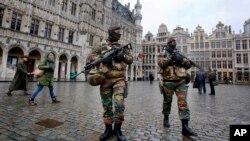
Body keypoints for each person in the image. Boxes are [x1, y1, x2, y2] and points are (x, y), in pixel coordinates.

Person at [86, 26, 133, 141]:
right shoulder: (101, 45)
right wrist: (102, 58)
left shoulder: (122, 46)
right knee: (107, 106)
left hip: (119, 79)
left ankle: (118, 129)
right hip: (105, 79)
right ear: (110, 33)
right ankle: (108, 130)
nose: (119, 35)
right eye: (117, 33)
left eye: (119, 34)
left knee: (119, 105)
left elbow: (130, 59)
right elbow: (90, 56)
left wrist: (122, 56)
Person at [158, 37, 197, 137]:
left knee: (183, 102)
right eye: (171, 42)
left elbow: (188, 65)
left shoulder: (179, 53)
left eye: (174, 42)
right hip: (168, 82)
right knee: (167, 101)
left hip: (180, 81)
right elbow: (161, 63)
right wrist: (171, 58)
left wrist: (181, 60)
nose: (173, 43)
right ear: (167, 44)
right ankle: (166, 117)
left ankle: (185, 127)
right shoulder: (163, 53)